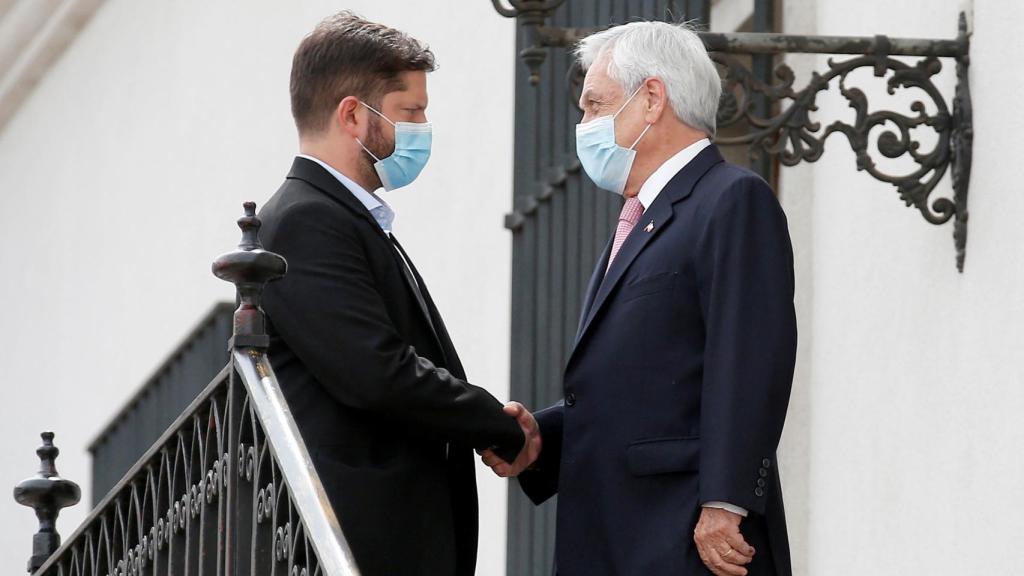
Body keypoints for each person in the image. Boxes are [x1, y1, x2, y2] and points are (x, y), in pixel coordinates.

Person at [481, 21, 798, 576]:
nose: (583, 126)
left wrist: (725, 502)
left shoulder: (731, 200)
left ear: (651, 98)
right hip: (617, 534)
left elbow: (750, 359)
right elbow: (646, 382)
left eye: (594, 105)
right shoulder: (640, 219)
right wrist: (544, 438)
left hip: (686, 540)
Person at [258, 12, 527, 576]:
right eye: (411, 112)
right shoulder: (306, 220)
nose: (423, 126)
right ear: (353, 114)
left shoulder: (344, 217)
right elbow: (376, 371)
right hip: (361, 541)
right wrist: (495, 423)